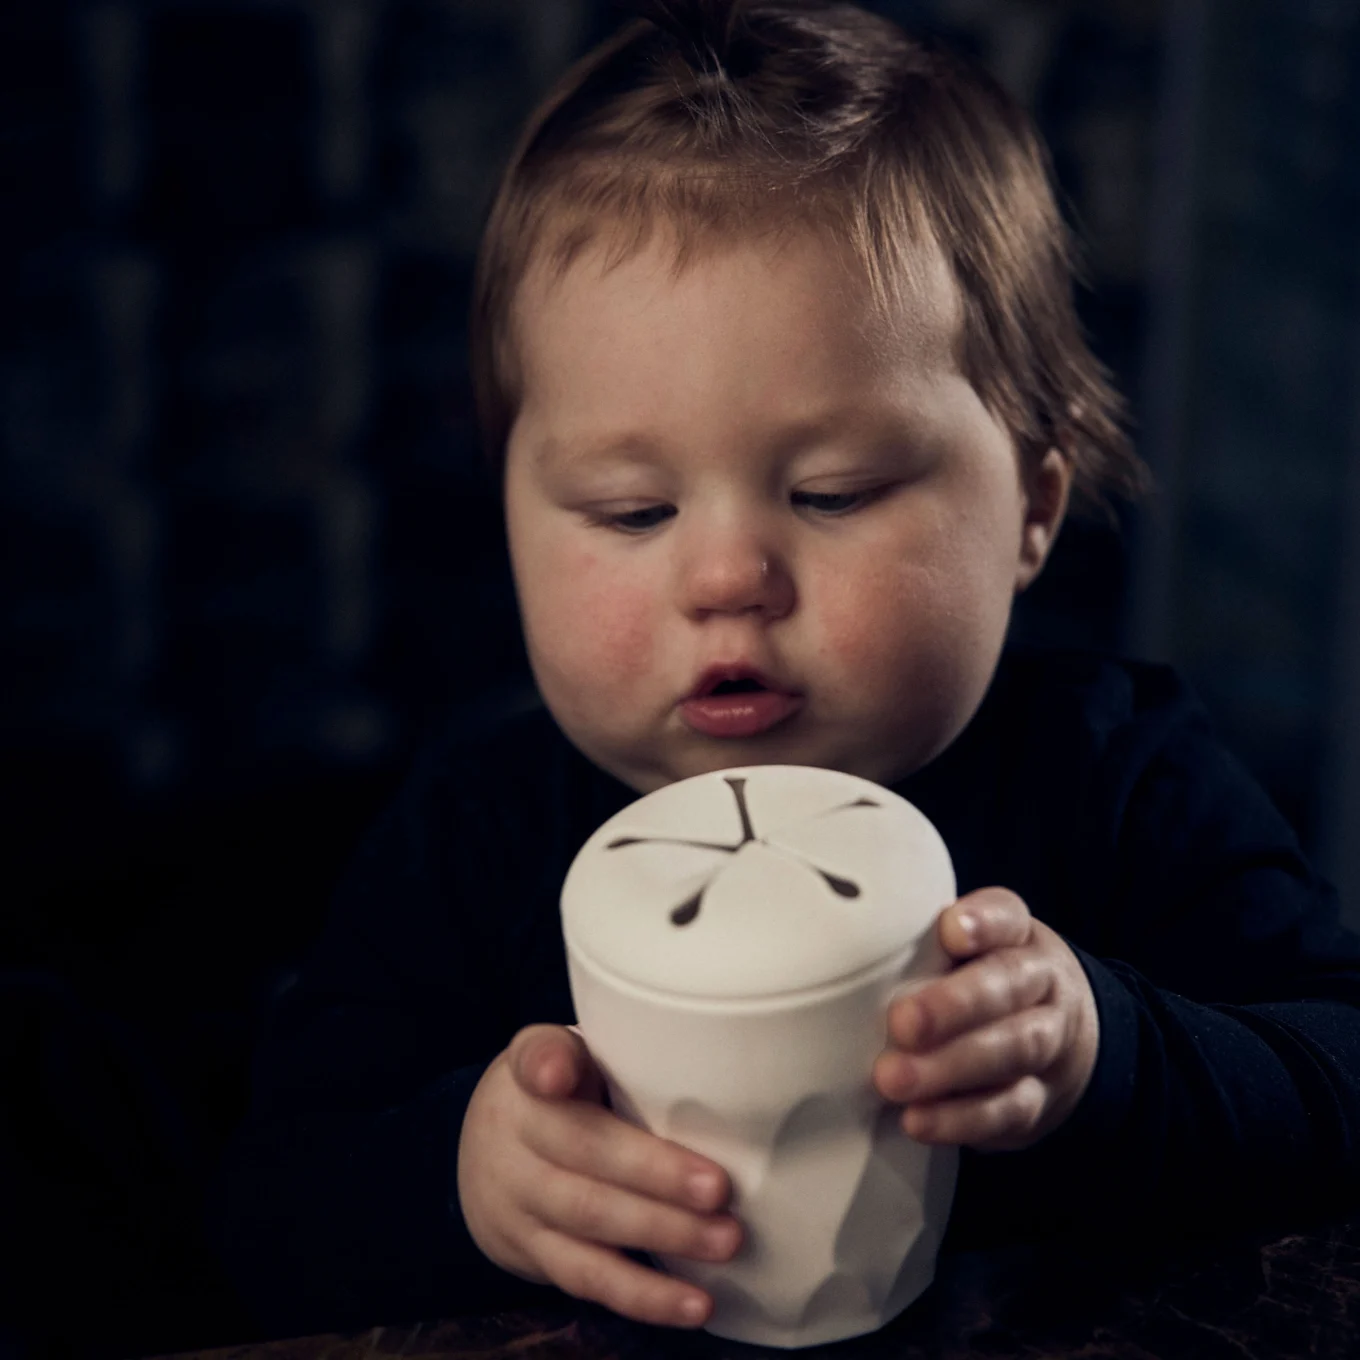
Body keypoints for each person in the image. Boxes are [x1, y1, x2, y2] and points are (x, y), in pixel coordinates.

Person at [213, 0, 1360, 1339]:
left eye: (834, 491)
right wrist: (467, 1177)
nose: (727, 578)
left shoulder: (1117, 773)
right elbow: (263, 1208)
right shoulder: (481, 829)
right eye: (632, 513)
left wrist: (1109, 1053)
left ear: (1034, 508)